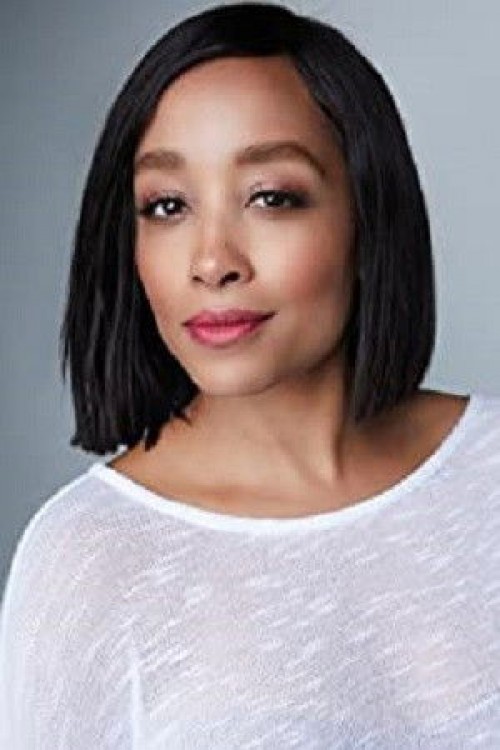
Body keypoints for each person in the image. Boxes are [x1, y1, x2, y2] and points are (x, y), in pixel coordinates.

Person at [0, 2, 499, 747]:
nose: (212, 261)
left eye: (271, 197)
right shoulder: (90, 558)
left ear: (368, 215)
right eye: (167, 206)